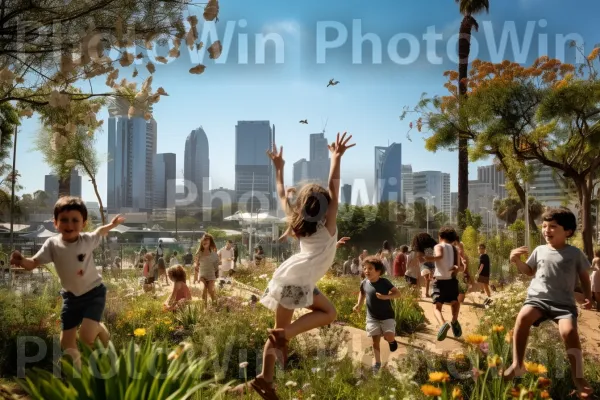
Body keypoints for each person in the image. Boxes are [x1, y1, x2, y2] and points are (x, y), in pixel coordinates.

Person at [231, 133, 354, 398]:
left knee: (280, 335)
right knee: (328, 314)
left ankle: (264, 379)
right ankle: (284, 334)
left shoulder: (299, 223)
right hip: (297, 280)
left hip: (290, 277)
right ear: (326, 208)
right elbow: (334, 187)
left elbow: (280, 192)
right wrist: (336, 158)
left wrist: (279, 169)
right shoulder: (328, 225)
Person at [9, 196, 124, 369]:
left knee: (86, 337)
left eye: (75, 220)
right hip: (71, 299)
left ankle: (99, 329)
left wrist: (112, 225)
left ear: (83, 223)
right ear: (55, 222)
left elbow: (100, 231)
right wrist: (21, 260)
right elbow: (33, 263)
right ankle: (79, 375)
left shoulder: (87, 240)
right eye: (64, 220)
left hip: (94, 293)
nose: (69, 224)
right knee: (66, 343)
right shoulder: (52, 245)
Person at [505, 208, 593, 398]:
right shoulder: (539, 250)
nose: (547, 230)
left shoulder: (574, 253)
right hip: (538, 299)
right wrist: (515, 261)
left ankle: (578, 378)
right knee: (523, 317)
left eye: (553, 226)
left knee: (569, 332)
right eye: (544, 226)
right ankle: (517, 364)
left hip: (564, 305)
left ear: (567, 232)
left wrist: (588, 296)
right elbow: (529, 271)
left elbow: (584, 276)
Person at [353, 256, 400, 373]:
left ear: (378, 271)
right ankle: (377, 363)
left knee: (388, 335)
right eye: (364, 268)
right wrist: (358, 305)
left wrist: (386, 297)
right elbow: (362, 293)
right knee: (375, 341)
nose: (366, 271)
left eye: (370, 268)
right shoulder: (364, 282)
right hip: (372, 317)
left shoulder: (384, 282)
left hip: (387, 316)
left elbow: (397, 293)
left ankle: (392, 341)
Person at [421, 227, 462, 342]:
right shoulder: (455, 249)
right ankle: (454, 320)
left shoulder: (438, 246)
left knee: (437, 307)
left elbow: (439, 257)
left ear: (440, 236)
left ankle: (443, 324)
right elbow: (458, 267)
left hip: (439, 281)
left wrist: (426, 258)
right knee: (455, 302)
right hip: (452, 280)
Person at [194, 233, 220, 305]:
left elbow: (216, 267)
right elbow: (196, 266)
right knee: (203, 290)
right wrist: (195, 277)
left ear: (210, 243)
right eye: (203, 241)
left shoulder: (214, 254)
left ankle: (215, 307)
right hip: (202, 276)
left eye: (206, 241)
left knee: (211, 291)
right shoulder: (199, 253)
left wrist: (216, 274)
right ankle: (204, 310)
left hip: (211, 276)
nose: (204, 242)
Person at [412, 233, 438, 298]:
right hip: (430, 263)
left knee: (428, 279)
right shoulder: (432, 246)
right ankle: (427, 293)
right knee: (428, 278)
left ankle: (427, 292)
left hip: (427, 263)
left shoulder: (421, 248)